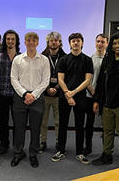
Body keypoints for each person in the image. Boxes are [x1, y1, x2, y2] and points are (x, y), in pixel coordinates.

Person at [51, 33, 93, 164]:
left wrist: (73, 93)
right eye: (73, 41)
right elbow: (60, 79)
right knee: (62, 124)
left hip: (80, 97)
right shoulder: (64, 60)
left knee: (80, 126)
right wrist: (67, 93)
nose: (75, 43)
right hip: (65, 96)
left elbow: (87, 81)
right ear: (69, 43)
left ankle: (80, 152)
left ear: (82, 43)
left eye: (78, 41)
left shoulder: (87, 60)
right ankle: (61, 150)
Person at [10, 32, 50, 168]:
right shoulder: (18, 59)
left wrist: (33, 95)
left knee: (35, 128)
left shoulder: (44, 60)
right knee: (19, 128)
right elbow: (13, 79)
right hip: (20, 98)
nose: (31, 42)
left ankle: (33, 154)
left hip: (37, 99)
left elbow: (46, 81)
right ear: (25, 42)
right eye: (28, 40)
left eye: (34, 40)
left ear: (38, 43)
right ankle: (18, 152)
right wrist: (25, 94)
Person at [92, 32, 119, 166]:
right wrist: (97, 100)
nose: (117, 45)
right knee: (107, 131)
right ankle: (106, 155)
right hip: (107, 103)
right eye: (114, 43)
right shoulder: (107, 60)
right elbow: (100, 82)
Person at [0, 30, 20, 155]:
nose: (10, 41)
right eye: (8, 39)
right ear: (5, 41)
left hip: (16, 95)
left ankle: (16, 145)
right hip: (1, 94)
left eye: (12, 39)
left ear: (16, 41)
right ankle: (4, 144)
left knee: (17, 122)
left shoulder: (21, 57)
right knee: (3, 122)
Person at [39, 31, 66, 153]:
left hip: (59, 94)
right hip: (44, 94)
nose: (54, 42)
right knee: (43, 121)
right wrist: (47, 88)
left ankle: (58, 142)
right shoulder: (41, 57)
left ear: (60, 43)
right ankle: (42, 142)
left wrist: (56, 88)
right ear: (48, 43)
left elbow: (67, 76)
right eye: (51, 40)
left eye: (56, 40)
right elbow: (38, 76)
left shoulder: (65, 57)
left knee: (58, 122)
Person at [83, 34, 108, 156]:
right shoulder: (89, 59)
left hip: (104, 98)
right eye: (98, 41)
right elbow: (86, 80)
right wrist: (94, 94)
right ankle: (88, 147)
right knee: (89, 124)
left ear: (106, 44)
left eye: (102, 42)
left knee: (106, 125)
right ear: (95, 43)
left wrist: (99, 96)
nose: (100, 44)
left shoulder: (109, 60)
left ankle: (106, 150)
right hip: (90, 96)